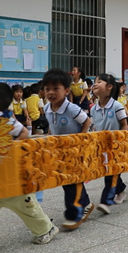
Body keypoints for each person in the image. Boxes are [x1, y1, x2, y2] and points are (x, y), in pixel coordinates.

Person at [0, 82, 58, 250]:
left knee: (27, 207)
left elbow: (23, 134)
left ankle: (46, 229)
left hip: (11, 180)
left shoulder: (5, 120)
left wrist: (9, 147)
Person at [42, 68, 94, 231]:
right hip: (59, 150)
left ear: (66, 91)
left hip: (75, 149)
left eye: (55, 89)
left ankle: (74, 214)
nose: (50, 93)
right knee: (68, 180)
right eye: (47, 89)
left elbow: (87, 122)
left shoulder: (72, 108)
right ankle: (86, 203)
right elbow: (52, 126)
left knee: (72, 180)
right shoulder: (47, 108)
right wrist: (49, 141)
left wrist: (79, 140)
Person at [90, 73, 128, 214]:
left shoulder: (117, 106)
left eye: (99, 81)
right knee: (108, 170)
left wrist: (121, 142)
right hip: (101, 146)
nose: (95, 84)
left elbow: (124, 124)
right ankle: (121, 189)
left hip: (115, 145)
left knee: (111, 172)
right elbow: (94, 127)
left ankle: (106, 200)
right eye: (94, 82)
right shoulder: (93, 109)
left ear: (109, 87)